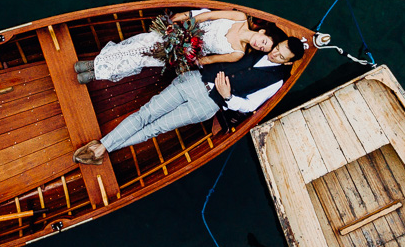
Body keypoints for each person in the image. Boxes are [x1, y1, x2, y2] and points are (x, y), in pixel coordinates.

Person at [73, 34, 305, 164]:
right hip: (193, 81)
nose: (274, 52)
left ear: (287, 62)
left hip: (207, 105)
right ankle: (102, 148)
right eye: (278, 47)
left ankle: (104, 148)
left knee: (156, 128)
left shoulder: (276, 81)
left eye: (280, 55)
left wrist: (228, 97)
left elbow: (250, 106)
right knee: (146, 114)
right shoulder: (261, 46)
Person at [74, 9, 276, 84]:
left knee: (143, 58)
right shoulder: (240, 18)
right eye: (264, 42)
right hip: (183, 31)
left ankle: (95, 72)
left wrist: (186, 56)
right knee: (139, 43)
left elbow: (207, 59)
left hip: (182, 52)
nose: (259, 45)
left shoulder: (237, 54)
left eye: (262, 49)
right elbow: (209, 16)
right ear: (262, 33)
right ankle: (95, 65)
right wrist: (186, 25)